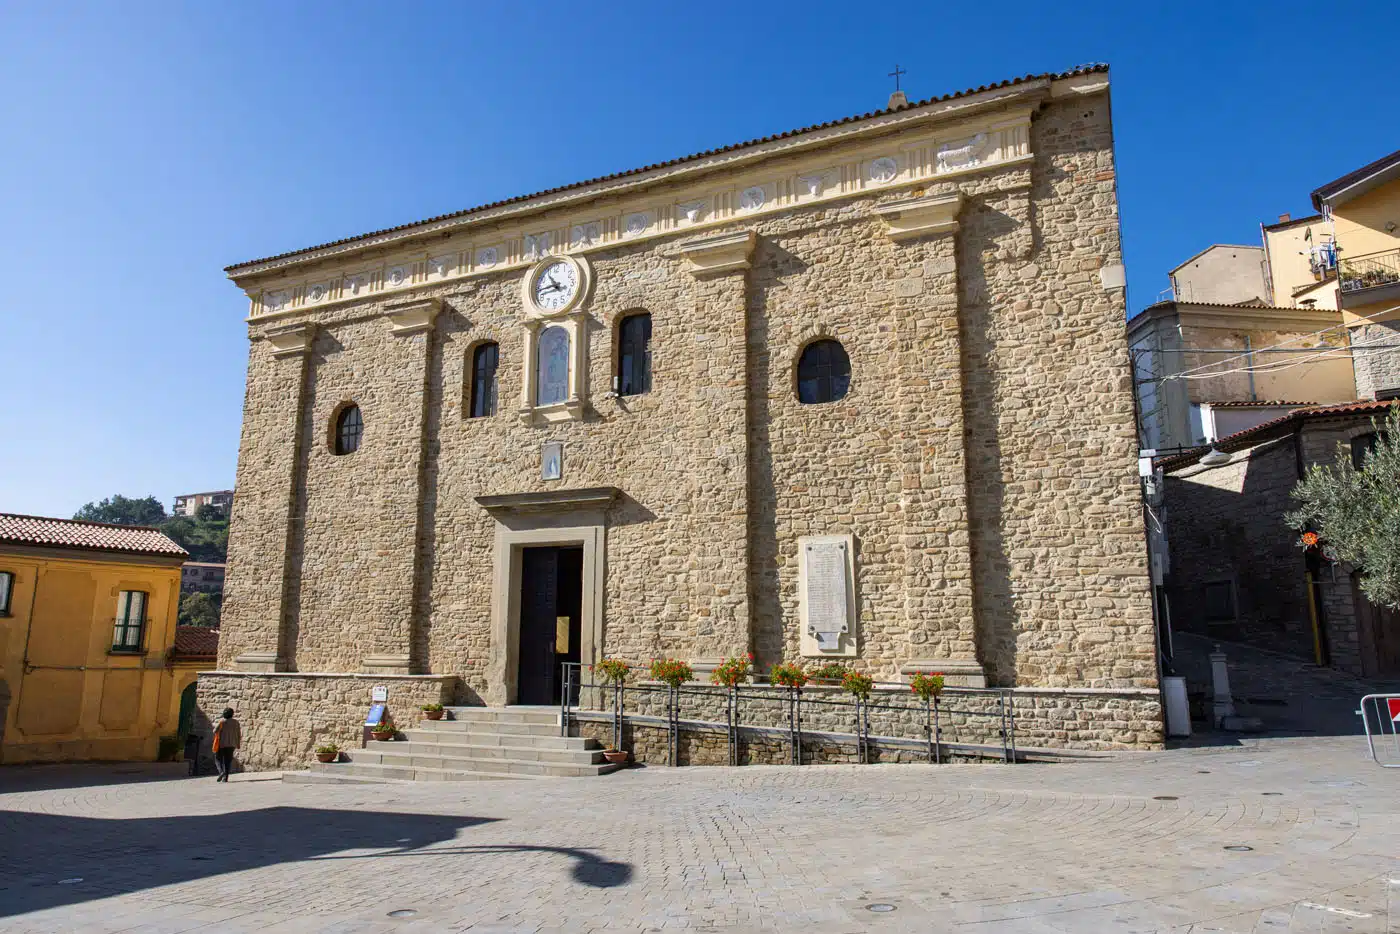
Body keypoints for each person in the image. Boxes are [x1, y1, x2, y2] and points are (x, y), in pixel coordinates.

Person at [212, 707, 241, 783]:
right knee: (227, 761)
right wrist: (238, 744)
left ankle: (221, 772)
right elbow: (238, 734)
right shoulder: (236, 723)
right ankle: (225, 778)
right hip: (232, 744)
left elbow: (215, 731)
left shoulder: (222, 722)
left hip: (221, 744)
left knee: (218, 759)